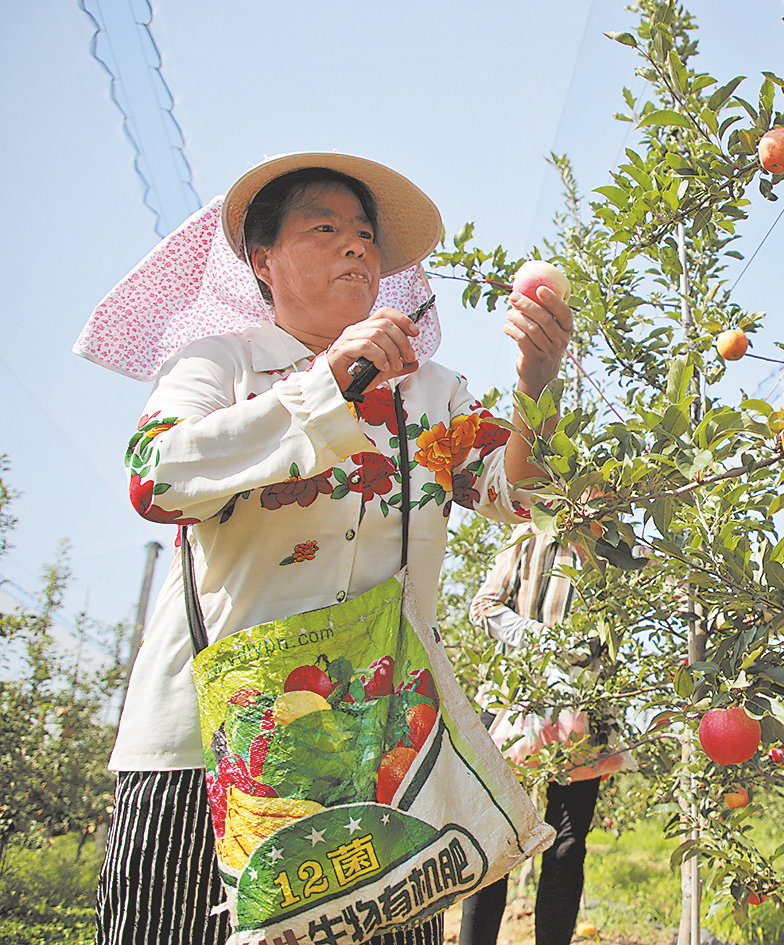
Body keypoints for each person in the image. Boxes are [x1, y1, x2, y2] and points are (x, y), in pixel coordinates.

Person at [76, 152, 573, 945]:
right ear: (263, 260)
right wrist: (325, 384)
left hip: (379, 752)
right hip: (207, 748)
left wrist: (538, 378)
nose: (357, 248)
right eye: (326, 227)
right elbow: (155, 479)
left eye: (367, 236)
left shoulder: (432, 393)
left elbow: (524, 497)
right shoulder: (221, 365)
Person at [459, 524, 633, 945]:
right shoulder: (528, 537)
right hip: (514, 701)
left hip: (582, 709)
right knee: (492, 840)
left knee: (568, 846)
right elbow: (482, 606)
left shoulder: (615, 549)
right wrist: (543, 640)